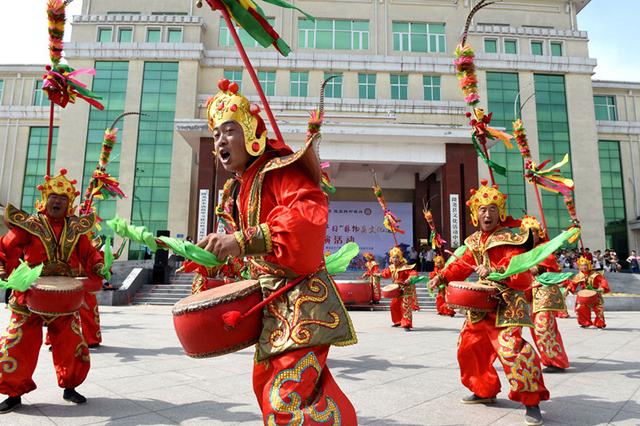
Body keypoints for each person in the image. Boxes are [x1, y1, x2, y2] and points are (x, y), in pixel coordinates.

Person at [196, 79, 357, 424]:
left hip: (302, 307)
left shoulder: (280, 171)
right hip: (274, 309)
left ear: (252, 133)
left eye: (229, 130)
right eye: (216, 135)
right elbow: (251, 258)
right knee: (281, 389)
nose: (220, 140)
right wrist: (214, 263)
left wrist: (240, 241)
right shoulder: (244, 185)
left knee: (284, 399)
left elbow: (306, 219)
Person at [428, 180, 548, 426]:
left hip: (506, 306)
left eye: (493, 208)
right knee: (469, 348)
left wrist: (494, 269)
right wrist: (441, 276)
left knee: (511, 350)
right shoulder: (474, 241)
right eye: (482, 209)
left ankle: (531, 401)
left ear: (500, 212)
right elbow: (461, 264)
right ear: (475, 213)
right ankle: (484, 390)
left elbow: (520, 271)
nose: (487, 213)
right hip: (481, 306)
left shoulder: (511, 239)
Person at [0, 169, 105, 413]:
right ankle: (13, 393)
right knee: (18, 343)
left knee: (71, 342)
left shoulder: (76, 228)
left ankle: (70, 386)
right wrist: (5, 268)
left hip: (64, 298)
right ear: (45, 200)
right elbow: (5, 247)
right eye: (53, 197)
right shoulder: (30, 224)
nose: (57, 201)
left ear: (69, 204)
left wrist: (98, 264)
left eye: (63, 198)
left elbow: (89, 253)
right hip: (29, 295)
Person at [519, 216, 570, 373]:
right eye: (526, 233)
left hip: (544, 290)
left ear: (538, 233)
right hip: (530, 292)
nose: (529, 235)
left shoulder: (545, 248)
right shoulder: (521, 252)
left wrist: (537, 267)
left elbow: (550, 265)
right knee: (536, 327)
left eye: (532, 232)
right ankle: (548, 358)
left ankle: (557, 361)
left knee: (543, 325)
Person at [380, 247, 419, 331]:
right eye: (393, 257)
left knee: (405, 306)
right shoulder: (392, 267)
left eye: (397, 257)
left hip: (406, 288)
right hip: (397, 289)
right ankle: (398, 321)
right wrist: (376, 274)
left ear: (400, 258)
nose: (395, 259)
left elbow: (413, 273)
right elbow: (385, 274)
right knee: (393, 305)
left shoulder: (405, 266)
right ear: (391, 258)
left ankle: (406, 324)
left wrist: (410, 279)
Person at [568, 257, 611, 328]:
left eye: (585, 265)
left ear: (589, 265)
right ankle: (585, 323)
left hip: (595, 293)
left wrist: (602, 287)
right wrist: (569, 288)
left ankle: (599, 323)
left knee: (598, 309)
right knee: (580, 308)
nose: (584, 267)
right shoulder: (579, 275)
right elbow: (573, 283)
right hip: (583, 294)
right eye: (582, 265)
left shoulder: (595, 274)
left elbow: (603, 280)